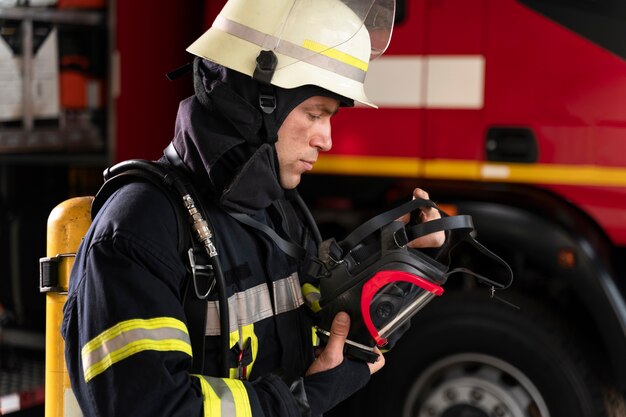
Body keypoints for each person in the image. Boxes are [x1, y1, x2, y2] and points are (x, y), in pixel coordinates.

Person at [61, 0, 444, 416]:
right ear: (255, 102)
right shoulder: (139, 226)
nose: (326, 140)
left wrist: (406, 262)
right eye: (315, 113)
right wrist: (304, 400)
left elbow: (327, 328)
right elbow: (151, 407)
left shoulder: (275, 213)